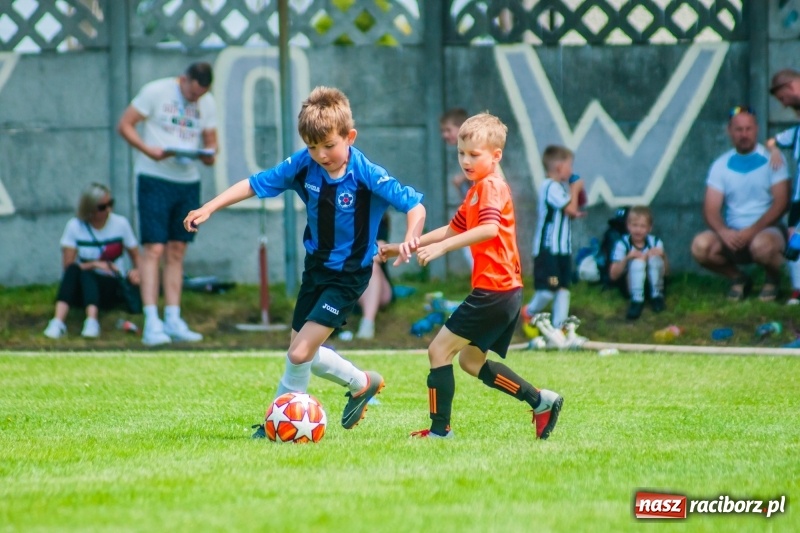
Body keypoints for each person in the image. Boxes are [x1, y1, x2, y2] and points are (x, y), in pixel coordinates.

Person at [183, 86, 426, 435]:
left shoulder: (366, 172)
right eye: (313, 147)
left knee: (298, 355)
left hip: (349, 276)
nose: (321, 155)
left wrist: (411, 235)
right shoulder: (303, 165)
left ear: (349, 137)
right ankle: (361, 383)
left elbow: (415, 206)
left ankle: (277, 425)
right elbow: (254, 184)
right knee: (301, 351)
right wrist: (209, 207)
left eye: (329, 145)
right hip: (315, 270)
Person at [382, 113, 562, 440]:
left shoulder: (491, 186)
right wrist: (402, 246)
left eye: (474, 155)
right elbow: (454, 228)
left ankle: (440, 432)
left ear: (496, 156)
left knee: (438, 351)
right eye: (461, 153)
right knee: (470, 360)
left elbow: (489, 229)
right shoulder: (477, 190)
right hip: (502, 290)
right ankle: (541, 401)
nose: (465, 160)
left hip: (495, 290)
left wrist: (442, 250)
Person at [117, 62, 217, 346]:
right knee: (154, 248)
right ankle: (152, 321)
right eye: (192, 93)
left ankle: (173, 318)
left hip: (187, 181)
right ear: (184, 80)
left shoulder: (207, 102)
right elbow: (125, 124)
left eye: (200, 95)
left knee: (177, 250)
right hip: (154, 177)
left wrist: (208, 155)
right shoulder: (156, 91)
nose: (195, 99)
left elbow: (212, 143)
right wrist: (150, 150)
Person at [691, 106, 789, 301]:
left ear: (757, 129)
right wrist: (724, 232)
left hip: (766, 231)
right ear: (729, 131)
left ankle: (773, 279)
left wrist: (752, 230)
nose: (744, 134)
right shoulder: (720, 165)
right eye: (738, 129)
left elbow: (781, 203)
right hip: (733, 233)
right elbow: (710, 209)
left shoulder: (773, 159)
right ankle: (738, 278)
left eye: (748, 129)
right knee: (700, 246)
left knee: (763, 246)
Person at [44, 183, 140, 339]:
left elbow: (137, 256)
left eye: (110, 204)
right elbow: (68, 267)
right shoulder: (75, 227)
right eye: (102, 207)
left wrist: (136, 271)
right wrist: (94, 264)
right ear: (89, 209)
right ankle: (58, 321)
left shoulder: (120, 224)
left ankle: (91, 321)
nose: (108, 210)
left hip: (110, 285)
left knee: (86, 274)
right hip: (82, 288)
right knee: (80, 272)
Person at [522, 145, 585, 328]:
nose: (571, 170)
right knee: (548, 291)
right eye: (569, 165)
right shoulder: (550, 186)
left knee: (563, 289)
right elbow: (570, 209)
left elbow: (569, 212)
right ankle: (529, 311)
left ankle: (559, 327)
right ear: (559, 167)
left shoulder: (559, 189)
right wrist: (575, 188)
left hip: (563, 250)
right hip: (548, 249)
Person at [766, 69, 800, 304]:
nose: (784, 106)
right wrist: (775, 148)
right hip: (799, 200)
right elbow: (772, 141)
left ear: (791, 87)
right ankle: (797, 291)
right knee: (794, 245)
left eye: (783, 99)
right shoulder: (796, 131)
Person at [608, 206, 669, 320]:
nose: (638, 230)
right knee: (637, 262)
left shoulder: (655, 242)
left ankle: (657, 297)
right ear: (628, 226)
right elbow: (613, 275)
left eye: (642, 226)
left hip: (653, 283)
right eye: (635, 225)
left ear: (649, 228)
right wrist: (627, 258)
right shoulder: (622, 244)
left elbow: (667, 274)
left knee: (654, 259)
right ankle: (636, 301)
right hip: (630, 285)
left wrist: (663, 256)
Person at [440, 107, 474, 269]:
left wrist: (463, 177)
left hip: (481, 213)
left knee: (473, 251)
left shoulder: (473, 149)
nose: (444, 135)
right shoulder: (464, 151)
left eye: (448, 130)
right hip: (472, 211)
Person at [355, 213, 393, 340]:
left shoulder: (378, 216)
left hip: (378, 287)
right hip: (347, 281)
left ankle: (367, 323)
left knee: (372, 266)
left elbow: (379, 252)